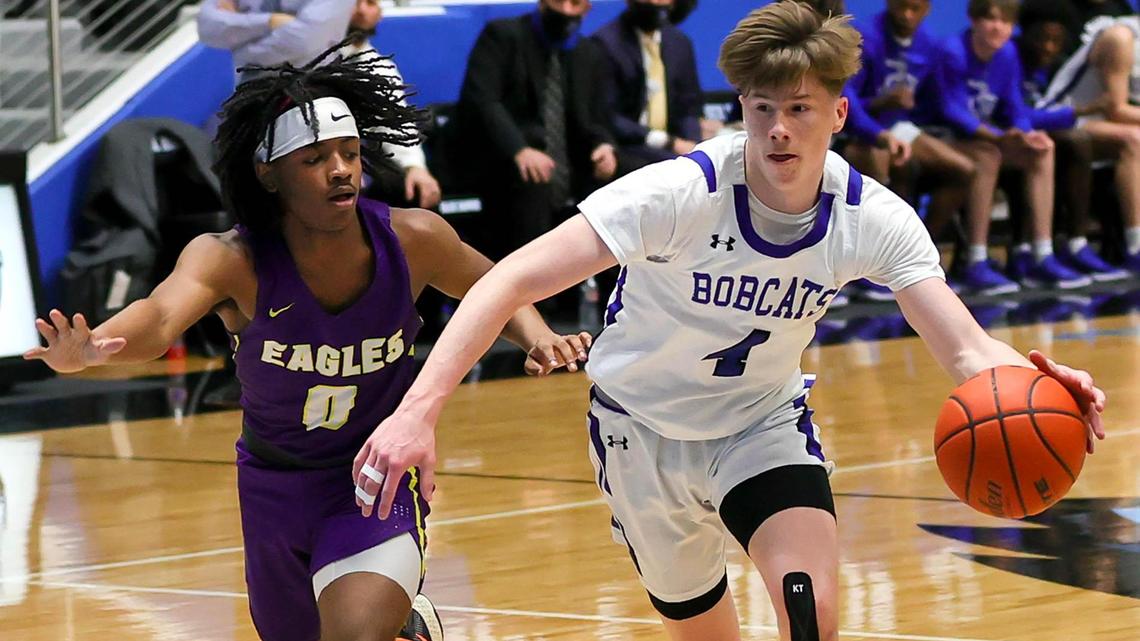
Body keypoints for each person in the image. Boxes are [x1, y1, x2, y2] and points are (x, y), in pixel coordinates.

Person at [349, 4, 1107, 641]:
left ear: (839, 113)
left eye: (799, 108)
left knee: (809, 613)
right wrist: (419, 410)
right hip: (638, 432)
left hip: (759, 424)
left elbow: (966, 348)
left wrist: (1033, 381)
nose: (778, 129)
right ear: (741, 109)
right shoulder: (678, 193)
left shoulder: (870, 217)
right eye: (761, 108)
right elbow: (510, 277)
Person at [23, 45, 589, 641]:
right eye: (315, 158)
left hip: (375, 477)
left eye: (350, 153)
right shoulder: (230, 259)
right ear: (269, 173)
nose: (340, 170)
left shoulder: (413, 238)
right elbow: (160, 316)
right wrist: (94, 347)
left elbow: (495, 287)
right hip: (274, 488)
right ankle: (411, 627)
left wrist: (538, 335)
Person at [922, 0, 1090, 292]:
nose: (998, 27)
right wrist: (996, 136)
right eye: (991, 19)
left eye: (1006, 22)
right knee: (988, 156)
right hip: (938, 135)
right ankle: (975, 259)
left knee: (1042, 149)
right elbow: (951, 110)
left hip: (981, 137)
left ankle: (1041, 253)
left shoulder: (1008, 53)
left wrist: (1026, 133)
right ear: (974, 20)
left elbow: (1014, 107)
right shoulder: (952, 51)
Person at [455, 0, 619, 260]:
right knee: (534, 183)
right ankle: (532, 279)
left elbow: (597, 117)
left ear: (587, 8)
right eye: (559, 1)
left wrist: (604, 145)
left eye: (575, 3)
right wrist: (519, 149)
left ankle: (610, 280)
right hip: (503, 158)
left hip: (567, 163)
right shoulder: (504, 35)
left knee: (615, 178)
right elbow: (483, 101)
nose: (566, 10)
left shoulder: (587, 53)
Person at [841, 0, 974, 301]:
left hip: (900, 128)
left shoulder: (930, 44)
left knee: (964, 170)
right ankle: (866, 269)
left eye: (915, 8)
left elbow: (939, 103)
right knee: (885, 164)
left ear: (927, 9)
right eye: (902, 7)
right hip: (858, 132)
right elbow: (847, 104)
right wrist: (881, 113)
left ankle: (916, 256)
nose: (907, 15)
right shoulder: (863, 37)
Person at [1014, 0, 1130, 281]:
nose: (1048, 47)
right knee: (1048, 147)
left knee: (1070, 145)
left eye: (1056, 41)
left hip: (1030, 133)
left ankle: (1073, 244)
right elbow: (1017, 115)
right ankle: (1029, 252)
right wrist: (1080, 111)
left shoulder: (1055, 65)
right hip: (995, 137)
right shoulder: (1009, 57)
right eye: (1042, 38)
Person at [1039, 8, 1140, 271]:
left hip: (1103, 122)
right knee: (1135, 139)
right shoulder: (1121, 37)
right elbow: (1116, 109)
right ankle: (1135, 245)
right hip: (1065, 117)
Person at [342, 0, 442, 210]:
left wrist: (414, 166)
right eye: (354, 2)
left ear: (380, 12)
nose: (361, 11)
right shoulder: (306, 57)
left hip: (364, 162)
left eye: (370, 2)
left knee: (414, 187)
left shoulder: (380, 67)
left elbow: (395, 125)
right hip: (316, 158)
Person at [592, 0, 705, 173]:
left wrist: (693, 145)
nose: (655, 2)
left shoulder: (679, 42)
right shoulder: (605, 43)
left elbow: (689, 106)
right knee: (672, 170)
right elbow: (609, 116)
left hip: (675, 147)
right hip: (628, 145)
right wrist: (668, 141)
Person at [196, 0, 355, 82]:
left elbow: (300, 40)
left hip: (309, 88)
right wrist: (269, 21)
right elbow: (207, 27)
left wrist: (241, 49)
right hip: (250, 94)